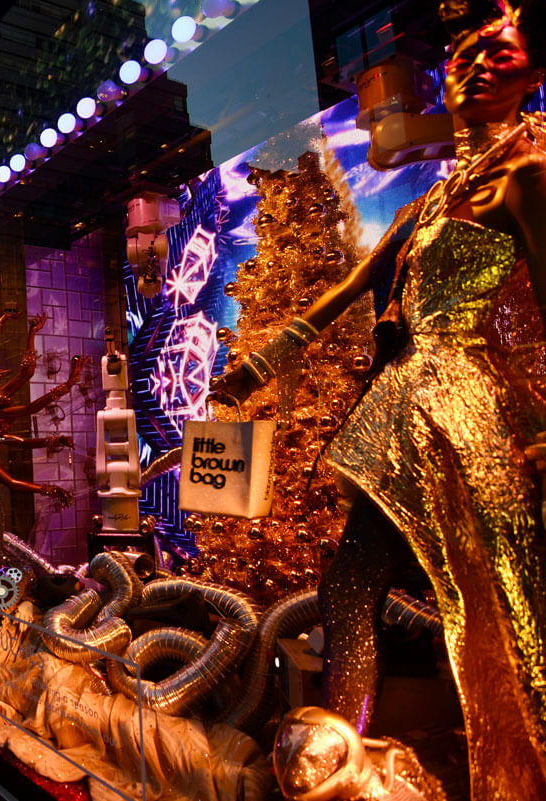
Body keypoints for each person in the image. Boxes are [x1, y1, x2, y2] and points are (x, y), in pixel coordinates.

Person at [213, 2, 546, 797]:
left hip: (465, 411)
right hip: (405, 410)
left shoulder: (528, 174)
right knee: (350, 583)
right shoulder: (427, 199)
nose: (475, 64)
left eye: (499, 54)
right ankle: (338, 761)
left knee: (495, 602)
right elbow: (349, 289)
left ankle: (517, 763)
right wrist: (257, 362)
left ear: (533, 76)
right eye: (464, 52)